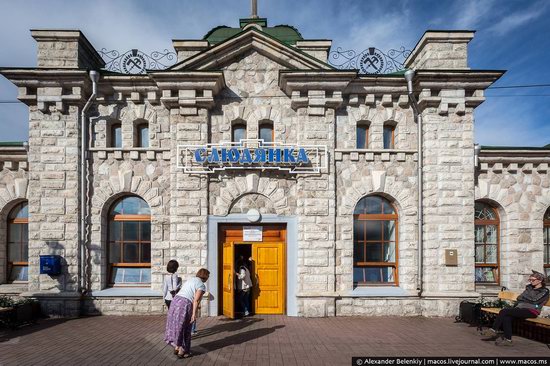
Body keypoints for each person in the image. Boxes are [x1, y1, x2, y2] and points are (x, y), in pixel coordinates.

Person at [480, 270, 549, 346]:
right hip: (520, 308)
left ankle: (493, 330)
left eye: (533, 280)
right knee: (507, 317)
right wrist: (525, 298)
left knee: (504, 311)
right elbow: (519, 297)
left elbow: (535, 301)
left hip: (532, 311)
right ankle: (508, 340)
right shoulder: (529, 287)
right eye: (530, 280)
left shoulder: (544, 291)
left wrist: (524, 298)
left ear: (540, 281)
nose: (531, 281)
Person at [164, 268, 210, 358]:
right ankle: (182, 350)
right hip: (184, 304)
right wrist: (194, 314)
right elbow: (196, 301)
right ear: (205, 276)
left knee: (176, 325)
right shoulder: (201, 285)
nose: (208, 277)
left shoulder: (191, 280)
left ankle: (177, 346)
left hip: (175, 301)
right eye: (208, 276)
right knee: (186, 327)